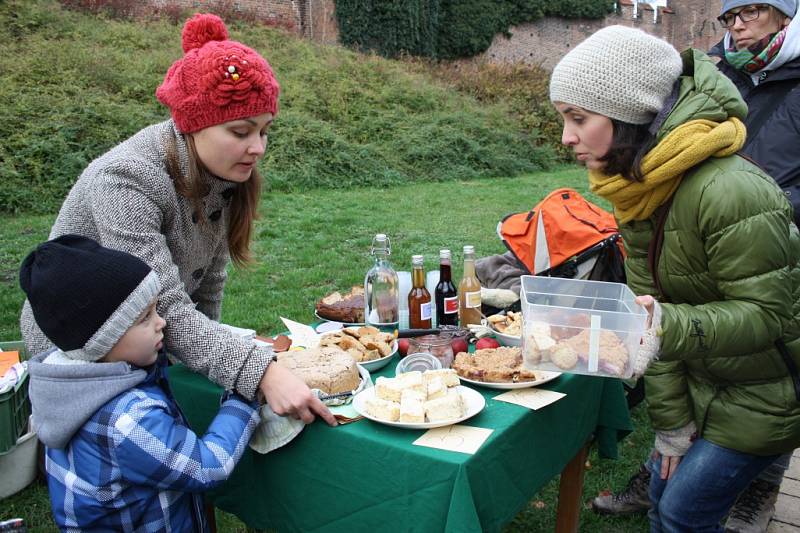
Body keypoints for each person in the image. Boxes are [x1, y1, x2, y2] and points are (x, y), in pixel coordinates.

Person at [18, 13, 336, 427]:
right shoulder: (126, 179)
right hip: (82, 352)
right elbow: (163, 302)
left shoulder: (222, 175)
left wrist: (209, 370)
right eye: (241, 132)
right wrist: (259, 371)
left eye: (264, 131)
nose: (258, 148)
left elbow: (207, 288)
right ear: (193, 124)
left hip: (143, 340)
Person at [549, 25, 800, 532]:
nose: (566, 137)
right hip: (705, 378)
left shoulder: (733, 191)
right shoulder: (641, 189)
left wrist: (661, 324)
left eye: (578, 118)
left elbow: (769, 315)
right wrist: (672, 425)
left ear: (631, 113)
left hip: (767, 390)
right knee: (664, 499)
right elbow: (651, 319)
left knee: (682, 513)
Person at [20, 234, 261, 531]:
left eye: (156, 309)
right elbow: (207, 467)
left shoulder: (64, 389)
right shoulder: (128, 420)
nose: (161, 322)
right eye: (145, 318)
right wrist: (244, 398)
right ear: (102, 341)